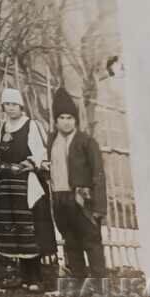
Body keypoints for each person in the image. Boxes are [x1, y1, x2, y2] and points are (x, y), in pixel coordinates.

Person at [0, 87, 56, 289]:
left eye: (14, 105)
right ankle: (21, 274)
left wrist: (30, 163)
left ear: (21, 106)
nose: (11, 109)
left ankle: (35, 276)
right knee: (13, 228)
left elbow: (39, 151)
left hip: (25, 183)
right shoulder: (3, 127)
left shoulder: (31, 125)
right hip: (7, 185)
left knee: (29, 227)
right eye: (7, 105)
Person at [43, 87, 107, 279]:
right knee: (71, 242)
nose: (66, 122)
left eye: (70, 118)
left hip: (81, 199)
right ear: (55, 120)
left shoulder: (86, 142)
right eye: (61, 117)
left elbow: (98, 174)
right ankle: (79, 283)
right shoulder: (52, 140)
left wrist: (99, 208)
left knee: (91, 242)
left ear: (76, 120)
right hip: (60, 199)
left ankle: (99, 286)